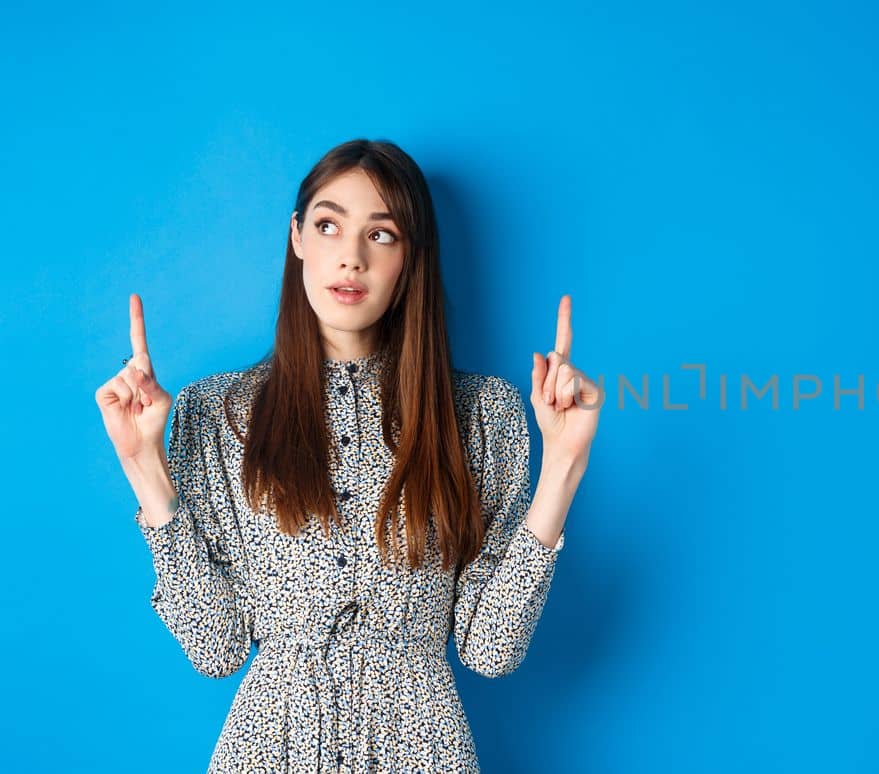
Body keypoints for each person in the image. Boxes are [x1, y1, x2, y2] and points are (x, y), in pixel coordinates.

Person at [95, 138, 604, 771]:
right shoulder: (218, 412)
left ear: (411, 258)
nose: (352, 258)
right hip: (270, 749)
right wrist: (144, 467)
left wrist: (562, 466)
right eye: (329, 225)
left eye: (382, 235)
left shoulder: (481, 414)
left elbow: (489, 650)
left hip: (425, 751)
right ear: (298, 237)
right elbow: (215, 647)